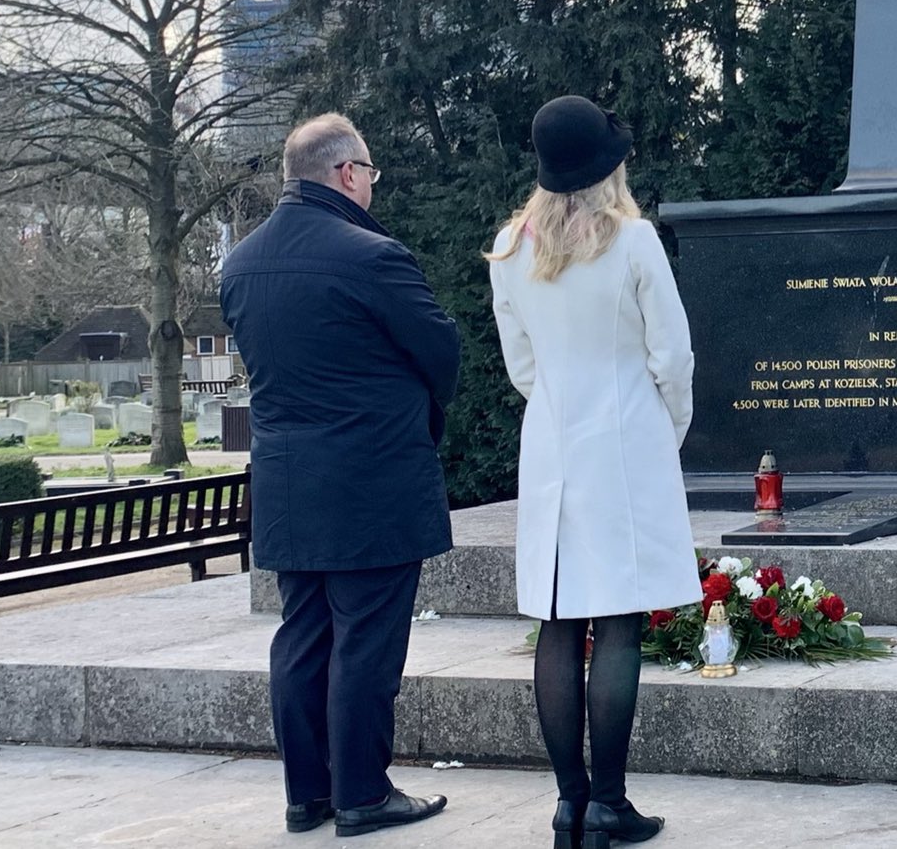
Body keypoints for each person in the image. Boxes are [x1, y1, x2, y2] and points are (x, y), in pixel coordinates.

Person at [222, 113, 461, 838]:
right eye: (371, 174)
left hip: (288, 481)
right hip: (372, 476)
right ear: (347, 173)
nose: (371, 187)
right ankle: (362, 794)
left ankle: (308, 795)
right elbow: (441, 349)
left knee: (302, 636)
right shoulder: (370, 256)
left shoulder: (240, 264)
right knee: (365, 641)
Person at [486, 96, 697, 849]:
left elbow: (521, 368)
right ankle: (608, 803)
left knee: (558, 614)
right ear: (609, 166)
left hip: (552, 441)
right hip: (625, 435)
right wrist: (664, 431)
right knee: (616, 619)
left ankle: (569, 806)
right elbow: (672, 358)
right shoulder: (634, 242)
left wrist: (562, 411)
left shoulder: (510, 246)